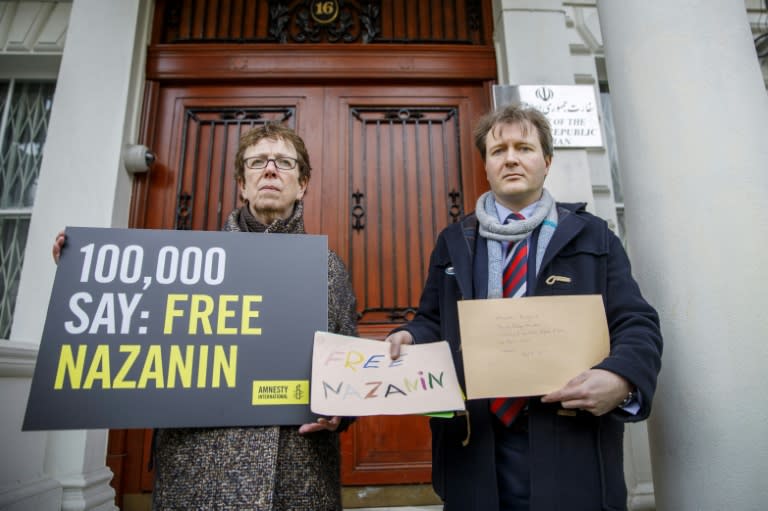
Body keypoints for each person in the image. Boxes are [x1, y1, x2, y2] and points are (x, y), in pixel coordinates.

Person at [53, 123, 358, 510]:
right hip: (197, 470)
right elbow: (122, 338)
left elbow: (350, 371)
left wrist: (340, 411)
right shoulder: (177, 266)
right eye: (257, 162)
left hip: (297, 472)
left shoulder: (329, 269)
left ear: (303, 185)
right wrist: (81, 272)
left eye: (284, 162)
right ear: (242, 185)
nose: (270, 170)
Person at [383, 104, 662, 511]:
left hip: (571, 443)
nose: (511, 158)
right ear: (487, 165)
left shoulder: (594, 235)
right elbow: (433, 319)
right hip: (474, 443)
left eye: (524, 148)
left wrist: (620, 378)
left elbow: (636, 322)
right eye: (498, 151)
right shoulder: (453, 241)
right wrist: (411, 334)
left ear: (546, 162)